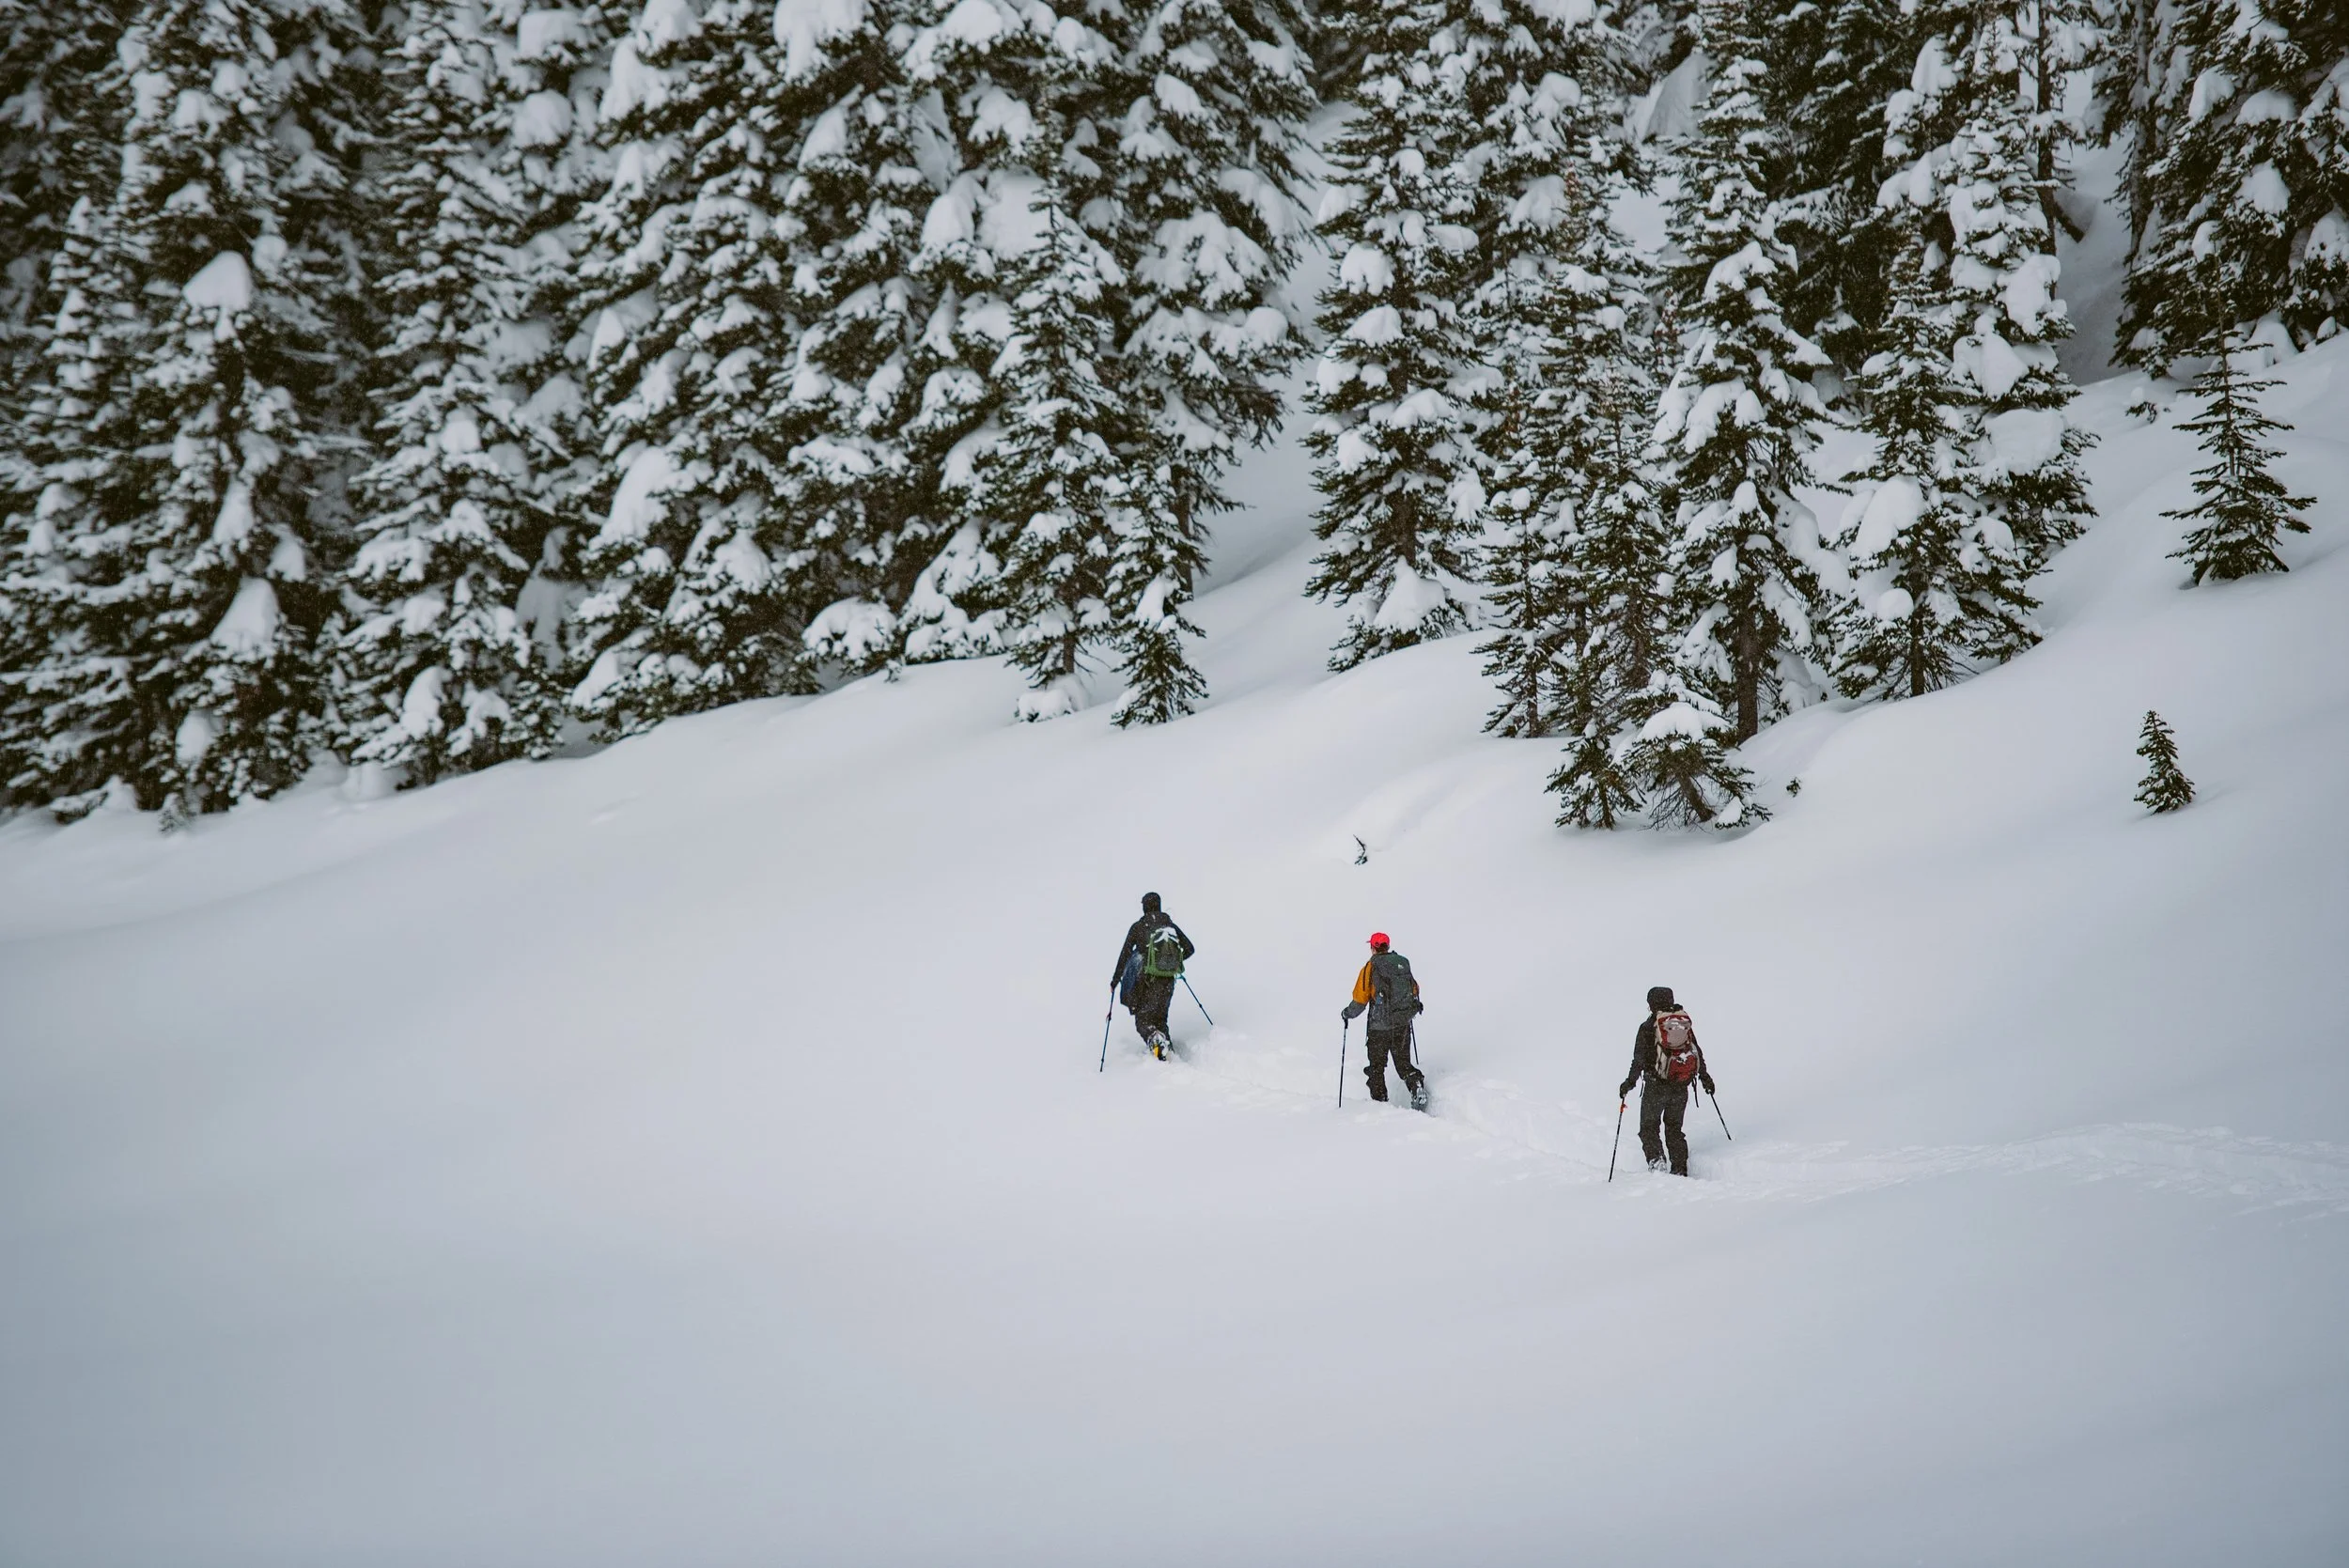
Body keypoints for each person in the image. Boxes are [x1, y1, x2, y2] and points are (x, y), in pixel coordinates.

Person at [1618, 986, 1716, 1175]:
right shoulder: (1683, 1025)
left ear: (1650, 1004)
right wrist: (1705, 1078)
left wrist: (1629, 1083)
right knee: (1674, 1129)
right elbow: (1696, 1051)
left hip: (1656, 1087)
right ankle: (1679, 1170)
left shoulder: (1647, 1028)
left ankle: (1657, 1164)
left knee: (1648, 1127)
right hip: (1680, 1085)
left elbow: (1638, 1060)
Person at [1340, 932, 1426, 1108]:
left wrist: (1347, 1014)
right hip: (1402, 1023)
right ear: (1387, 946)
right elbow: (1415, 989)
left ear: (1372, 948)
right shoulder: (1402, 963)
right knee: (1403, 1063)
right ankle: (1417, 1087)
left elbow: (1360, 999)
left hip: (1379, 1028)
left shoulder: (1370, 967)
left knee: (1377, 1068)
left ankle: (1381, 1106)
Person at [1110, 893, 1194, 1060]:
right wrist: (1172, 961)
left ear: (1144, 907)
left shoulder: (1138, 927)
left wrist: (1115, 980)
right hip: (1168, 979)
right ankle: (1167, 1054)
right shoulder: (1170, 926)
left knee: (1143, 1020)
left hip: (1146, 981)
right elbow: (1190, 949)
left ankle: (1157, 1043)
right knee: (1161, 1018)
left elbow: (1125, 955)